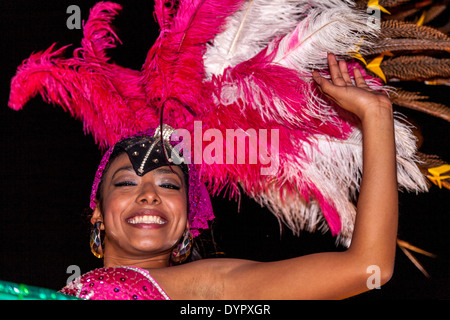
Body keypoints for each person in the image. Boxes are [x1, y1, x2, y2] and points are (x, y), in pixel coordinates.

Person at [60, 53, 398, 300]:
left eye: (168, 184)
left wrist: (377, 116)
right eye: (126, 182)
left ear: (189, 218)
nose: (149, 194)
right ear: (99, 214)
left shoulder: (208, 287)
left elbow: (370, 268)